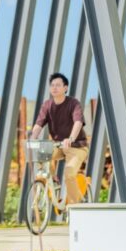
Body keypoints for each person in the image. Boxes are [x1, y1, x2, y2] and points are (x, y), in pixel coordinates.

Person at [30, 72, 89, 205]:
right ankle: (53, 180)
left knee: (69, 174)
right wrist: (33, 138)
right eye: (52, 85)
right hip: (58, 145)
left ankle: (76, 204)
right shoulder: (47, 105)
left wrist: (71, 138)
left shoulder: (73, 103)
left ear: (65, 88)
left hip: (77, 146)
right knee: (40, 155)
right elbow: (39, 124)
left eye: (58, 85)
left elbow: (78, 122)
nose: (54, 88)